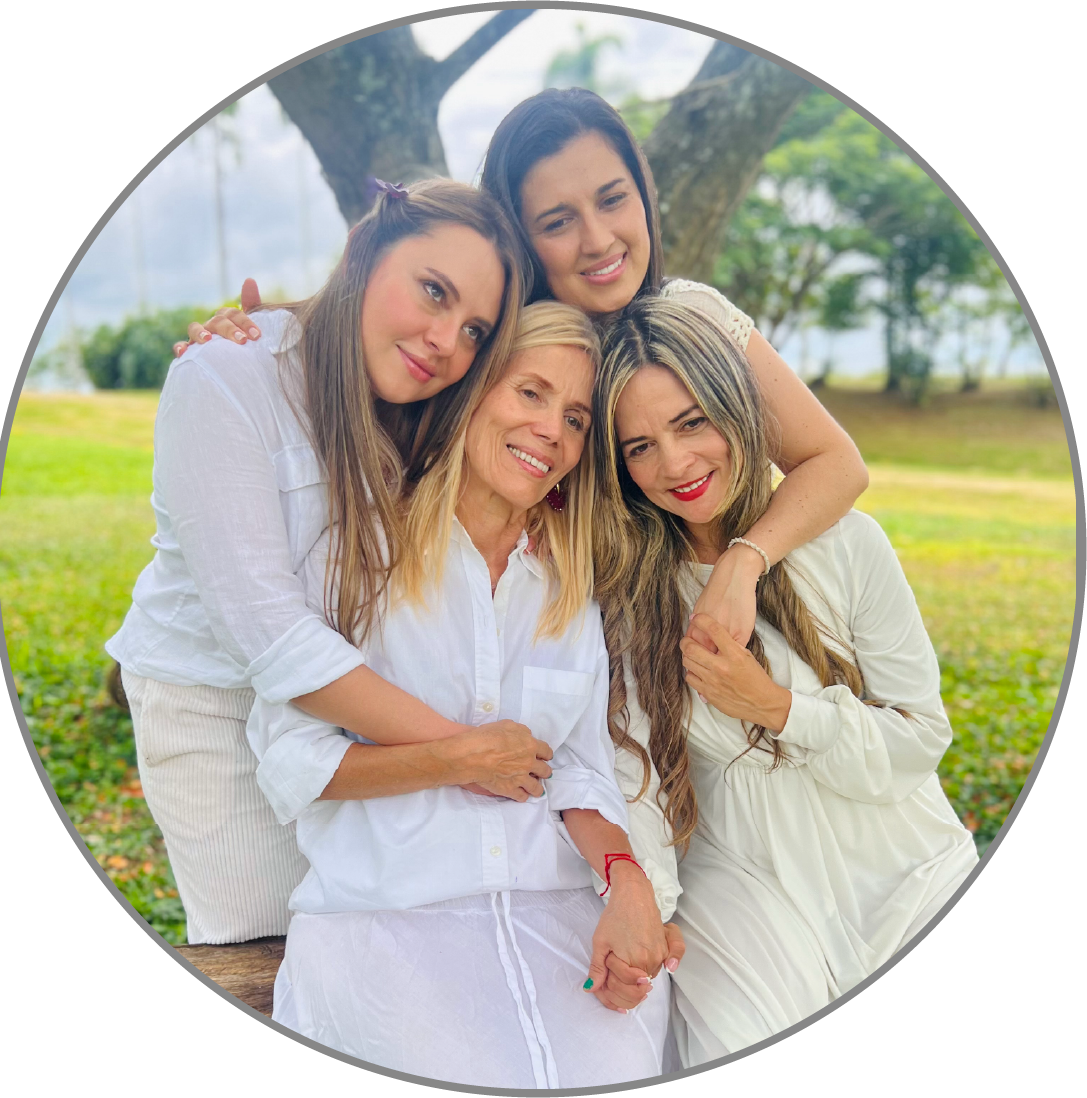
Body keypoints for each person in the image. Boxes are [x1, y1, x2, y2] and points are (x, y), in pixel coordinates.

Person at [179, 87, 870, 653]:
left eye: (613, 199)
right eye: (558, 221)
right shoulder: (495, 342)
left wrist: (746, 560)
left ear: (644, 194)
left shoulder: (696, 320)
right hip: (552, 644)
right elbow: (386, 333)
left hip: (720, 618)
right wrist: (274, 327)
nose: (597, 239)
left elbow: (837, 463)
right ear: (523, 235)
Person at [249, 301, 682, 1085]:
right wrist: (452, 759)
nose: (551, 431)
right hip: (386, 921)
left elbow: (579, 766)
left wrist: (626, 879)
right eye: (530, 393)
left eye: (577, 419)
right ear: (473, 393)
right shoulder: (356, 556)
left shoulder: (565, 585)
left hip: (555, 915)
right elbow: (291, 762)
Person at [106, 179, 543, 944]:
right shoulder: (225, 376)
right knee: (269, 946)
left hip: (357, 710)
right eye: (433, 291)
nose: (447, 341)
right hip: (218, 705)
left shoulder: (422, 414)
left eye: (475, 330)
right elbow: (271, 638)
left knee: (363, 939)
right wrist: (460, 752)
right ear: (361, 249)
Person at [591, 297, 979, 1061]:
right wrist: (649, 906)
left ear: (736, 408)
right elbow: (636, 770)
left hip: (899, 870)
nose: (674, 464)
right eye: (640, 446)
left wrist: (777, 708)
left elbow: (920, 741)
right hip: (745, 882)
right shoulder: (631, 592)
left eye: (692, 422)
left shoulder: (847, 545)